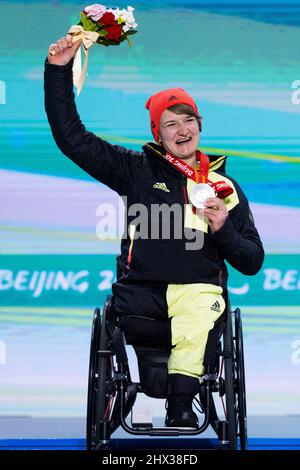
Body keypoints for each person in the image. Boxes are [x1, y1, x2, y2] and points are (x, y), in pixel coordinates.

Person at [44, 35, 264, 429]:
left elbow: (251, 261)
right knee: (152, 324)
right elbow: (71, 137)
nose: (182, 130)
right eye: (171, 123)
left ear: (200, 125)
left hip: (198, 297)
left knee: (200, 308)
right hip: (141, 295)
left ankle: (181, 403)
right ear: (158, 134)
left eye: (188, 120)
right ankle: (145, 395)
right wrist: (58, 71)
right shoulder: (134, 170)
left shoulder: (224, 188)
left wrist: (223, 229)